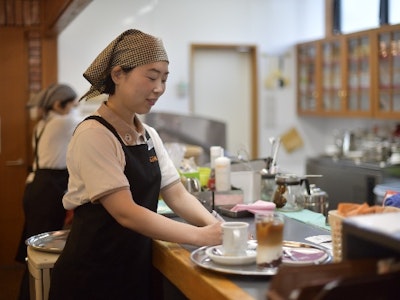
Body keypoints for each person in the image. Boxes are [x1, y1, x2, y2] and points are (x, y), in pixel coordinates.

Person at [48, 29, 222, 299]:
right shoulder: (94, 134)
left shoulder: (148, 134)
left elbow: (176, 193)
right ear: (118, 75)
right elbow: (125, 212)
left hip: (131, 267)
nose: (159, 88)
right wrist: (200, 237)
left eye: (164, 79)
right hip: (92, 275)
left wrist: (216, 228)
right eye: (152, 77)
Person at [15, 83, 80, 299]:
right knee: (39, 253)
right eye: (72, 104)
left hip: (38, 186)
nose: (74, 109)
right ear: (58, 104)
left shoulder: (43, 123)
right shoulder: (63, 122)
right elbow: (93, 124)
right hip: (48, 189)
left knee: (34, 251)